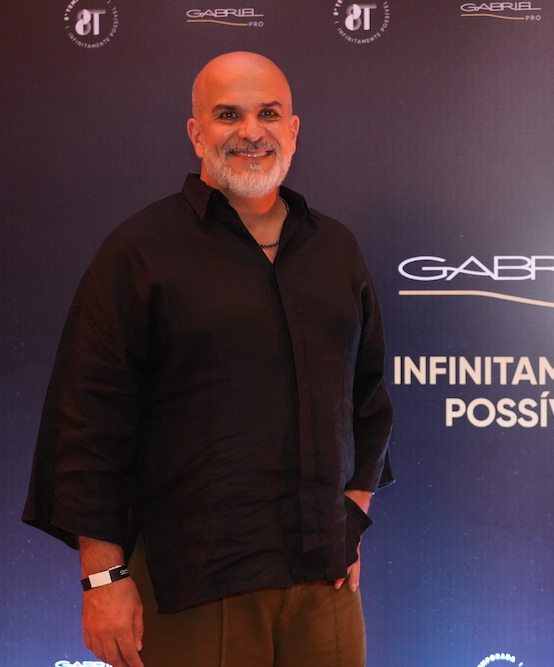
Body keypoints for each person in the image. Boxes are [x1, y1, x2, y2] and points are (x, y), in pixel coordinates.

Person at [22, 52, 393, 667]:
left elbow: (368, 395)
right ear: (196, 133)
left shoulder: (335, 249)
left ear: (293, 129)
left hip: (322, 583)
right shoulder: (140, 252)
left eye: (268, 113)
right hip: (192, 585)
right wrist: (102, 579)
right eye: (228, 115)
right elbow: (87, 421)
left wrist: (351, 518)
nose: (251, 132)